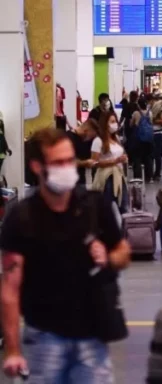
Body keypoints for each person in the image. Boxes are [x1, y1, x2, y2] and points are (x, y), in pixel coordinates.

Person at [0, 128, 130, 382]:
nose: (67, 168)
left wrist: (108, 257)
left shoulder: (94, 206)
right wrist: (13, 350)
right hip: (44, 338)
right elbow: (10, 290)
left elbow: (122, 252)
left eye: (70, 160)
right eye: (58, 162)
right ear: (38, 167)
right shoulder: (21, 218)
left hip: (92, 336)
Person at [91, 111, 129, 213]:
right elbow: (94, 163)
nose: (115, 123)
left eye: (115, 121)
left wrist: (124, 158)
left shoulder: (116, 138)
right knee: (109, 207)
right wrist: (114, 161)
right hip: (107, 178)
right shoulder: (98, 141)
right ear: (105, 123)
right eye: (112, 121)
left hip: (119, 176)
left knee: (123, 205)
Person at [66, 119, 100, 185]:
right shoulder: (68, 138)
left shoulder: (87, 141)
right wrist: (84, 163)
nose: (90, 139)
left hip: (81, 180)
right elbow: (68, 161)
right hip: (69, 181)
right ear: (85, 131)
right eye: (91, 136)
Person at [131, 98, 154, 182]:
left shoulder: (136, 113)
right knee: (148, 158)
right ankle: (149, 177)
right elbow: (151, 123)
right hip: (149, 139)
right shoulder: (150, 113)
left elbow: (131, 124)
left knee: (137, 158)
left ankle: (138, 177)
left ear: (138, 104)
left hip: (138, 139)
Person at [150, 98, 162, 180]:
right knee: (156, 154)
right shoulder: (161, 112)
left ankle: (157, 173)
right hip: (156, 134)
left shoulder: (160, 112)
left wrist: (153, 120)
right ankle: (155, 172)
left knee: (156, 155)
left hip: (156, 133)